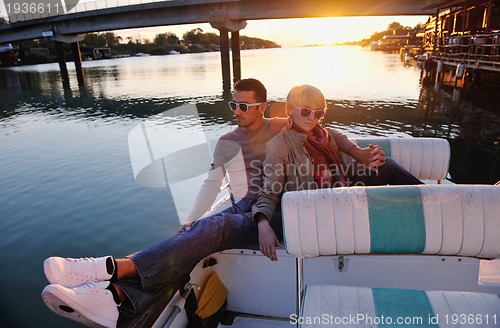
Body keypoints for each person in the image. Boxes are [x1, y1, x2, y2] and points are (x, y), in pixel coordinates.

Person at [41, 78, 289, 328]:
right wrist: (191, 219)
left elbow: (316, 125)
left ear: (262, 107)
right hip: (239, 207)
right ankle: (113, 297)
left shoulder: (281, 128)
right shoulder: (227, 141)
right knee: (188, 240)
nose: (236, 112)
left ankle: (111, 269)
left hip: (269, 210)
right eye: (232, 105)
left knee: (209, 230)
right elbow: (212, 183)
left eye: (243, 106)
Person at [251, 84, 423, 261]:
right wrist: (263, 224)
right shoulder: (279, 146)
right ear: (289, 110)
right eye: (305, 111)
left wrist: (361, 154)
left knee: (386, 166)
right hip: (312, 209)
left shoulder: (323, 135)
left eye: (318, 113)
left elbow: (341, 139)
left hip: (340, 194)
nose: (312, 118)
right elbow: (270, 191)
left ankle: (434, 200)